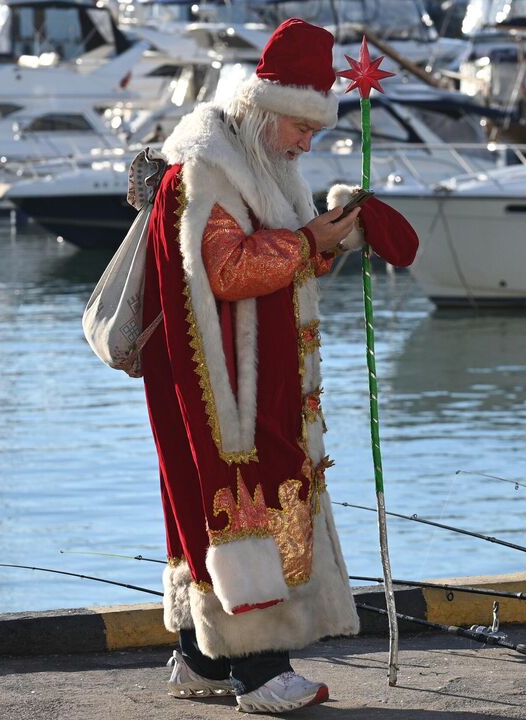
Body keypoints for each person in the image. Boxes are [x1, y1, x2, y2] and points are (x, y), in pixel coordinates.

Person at [139, 18, 419, 713]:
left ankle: (203, 661)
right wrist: (303, 242)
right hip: (222, 386)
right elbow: (227, 270)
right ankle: (260, 673)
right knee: (243, 510)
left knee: (242, 509)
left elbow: (280, 259)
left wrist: (331, 237)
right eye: (301, 128)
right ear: (267, 111)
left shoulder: (263, 164)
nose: (308, 143)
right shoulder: (207, 170)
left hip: (255, 375)